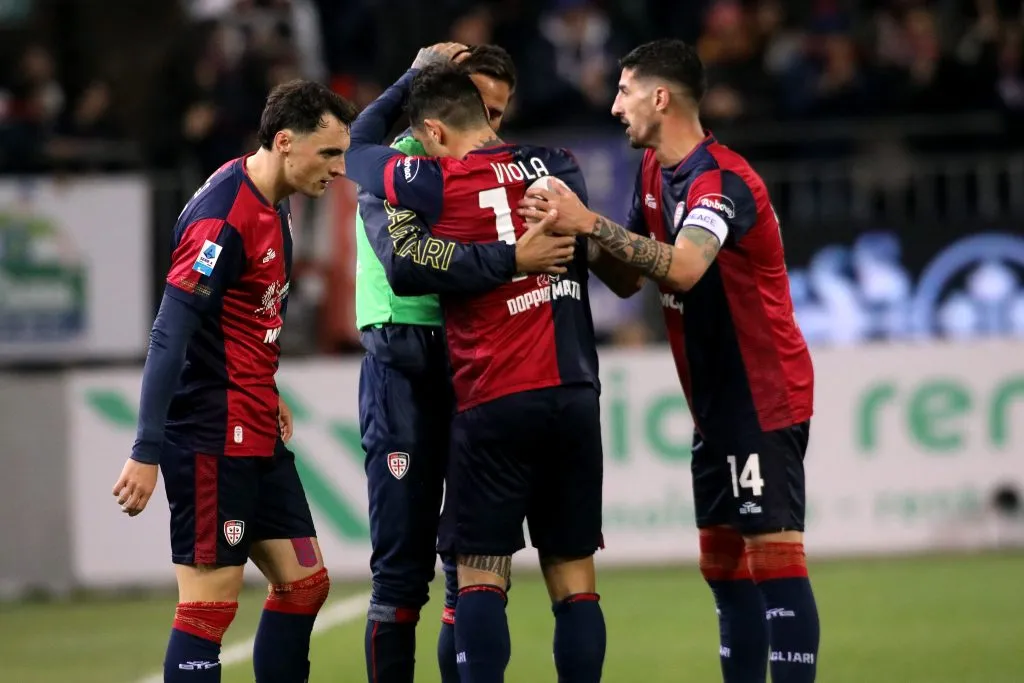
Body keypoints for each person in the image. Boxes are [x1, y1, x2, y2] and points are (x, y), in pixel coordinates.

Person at [519, 39, 820, 683]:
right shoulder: (656, 172)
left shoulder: (721, 181)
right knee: (720, 564)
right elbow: (632, 281)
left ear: (661, 97)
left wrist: (591, 223)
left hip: (760, 395)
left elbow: (683, 269)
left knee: (772, 556)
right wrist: (573, 228)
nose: (613, 106)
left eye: (623, 91)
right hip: (712, 403)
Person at [346, 59, 608, 683]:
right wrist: (522, 255)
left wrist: (407, 80)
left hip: (493, 393)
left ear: (434, 131)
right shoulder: (558, 165)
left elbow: (357, 153)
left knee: (479, 575)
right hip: (573, 389)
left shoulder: (430, 182)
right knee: (573, 578)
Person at [110, 80, 358, 683]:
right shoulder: (222, 220)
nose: (340, 168)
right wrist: (146, 450)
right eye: (329, 154)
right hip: (209, 435)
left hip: (254, 425)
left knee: (304, 584)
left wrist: (267, 390)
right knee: (208, 608)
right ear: (284, 142)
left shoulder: (274, 197)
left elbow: (244, 315)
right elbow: (170, 334)